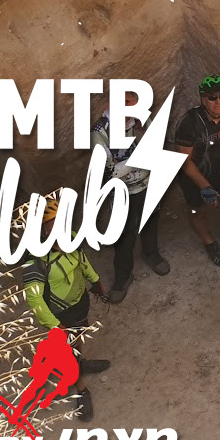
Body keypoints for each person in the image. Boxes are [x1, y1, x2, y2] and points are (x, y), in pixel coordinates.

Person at [20, 196, 109, 421]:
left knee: (77, 342)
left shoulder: (70, 239)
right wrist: (56, 327)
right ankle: (81, 390)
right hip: (59, 316)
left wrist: (96, 282)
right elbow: (35, 301)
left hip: (79, 305)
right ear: (42, 231)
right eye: (53, 224)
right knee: (68, 352)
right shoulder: (35, 261)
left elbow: (82, 261)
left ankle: (80, 361)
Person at [91, 108, 167, 302]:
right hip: (121, 192)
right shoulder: (100, 131)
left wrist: (124, 164)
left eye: (132, 101)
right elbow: (109, 171)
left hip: (148, 184)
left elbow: (158, 151)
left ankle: (151, 253)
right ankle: (123, 277)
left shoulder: (143, 119)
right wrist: (141, 157)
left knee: (150, 220)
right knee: (124, 235)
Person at [174, 75, 220, 267]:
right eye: (212, 97)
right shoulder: (189, 123)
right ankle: (210, 243)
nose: (218, 102)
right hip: (192, 173)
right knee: (197, 210)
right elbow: (185, 161)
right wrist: (205, 187)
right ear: (202, 99)